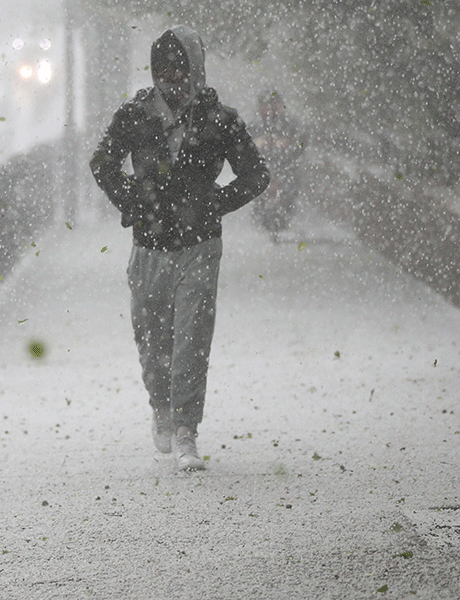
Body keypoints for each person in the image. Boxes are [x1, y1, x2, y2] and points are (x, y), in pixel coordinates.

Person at [89, 25, 269, 471]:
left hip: (199, 245)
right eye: (162, 65)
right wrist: (131, 201)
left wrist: (216, 204)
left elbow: (256, 175)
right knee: (152, 338)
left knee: (191, 338)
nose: (170, 74)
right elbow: (103, 163)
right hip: (148, 246)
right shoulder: (135, 115)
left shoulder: (219, 119)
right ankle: (161, 407)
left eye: (179, 65)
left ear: (195, 68)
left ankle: (187, 430)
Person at [250, 90, 307, 239]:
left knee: (287, 189)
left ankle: (283, 218)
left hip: (286, 168)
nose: (270, 109)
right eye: (265, 105)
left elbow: (301, 144)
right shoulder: (254, 126)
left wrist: (288, 145)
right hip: (262, 169)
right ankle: (264, 218)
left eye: (274, 105)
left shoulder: (292, 125)